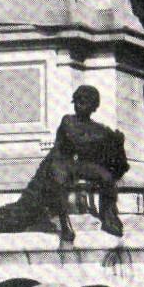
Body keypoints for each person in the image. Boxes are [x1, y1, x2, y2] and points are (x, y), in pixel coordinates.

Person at [48, 85, 128, 240]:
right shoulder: (68, 120)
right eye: (78, 101)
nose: (80, 105)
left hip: (80, 165)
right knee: (60, 178)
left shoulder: (98, 128)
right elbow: (79, 140)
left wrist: (117, 142)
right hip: (62, 162)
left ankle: (109, 214)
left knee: (106, 176)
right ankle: (64, 222)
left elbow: (106, 149)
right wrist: (106, 138)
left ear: (94, 106)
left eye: (85, 102)